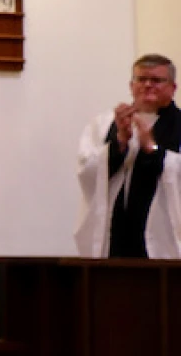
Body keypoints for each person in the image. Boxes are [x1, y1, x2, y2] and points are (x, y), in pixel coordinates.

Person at [76, 54, 181, 258]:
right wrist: (119, 143)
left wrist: (152, 149)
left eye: (156, 80)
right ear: (131, 85)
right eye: (141, 79)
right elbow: (86, 172)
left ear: (173, 87)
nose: (148, 85)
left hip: (165, 245)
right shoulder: (105, 124)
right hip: (115, 241)